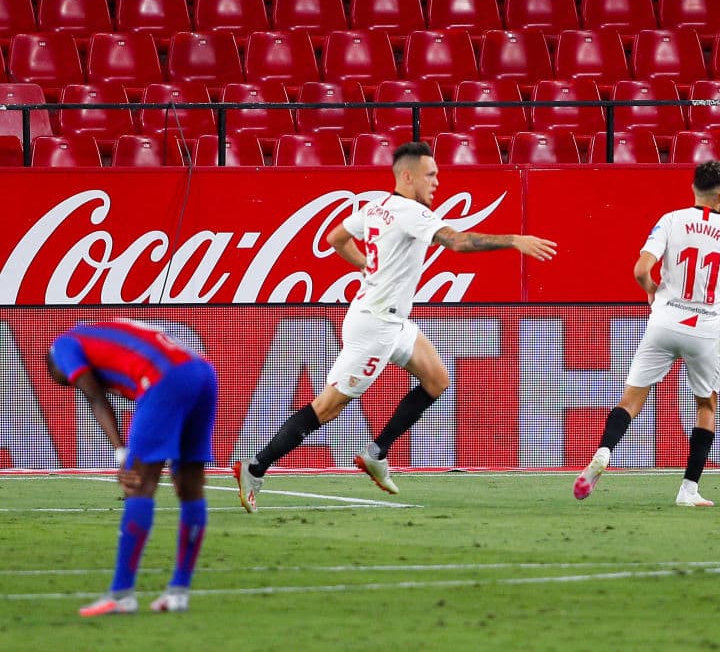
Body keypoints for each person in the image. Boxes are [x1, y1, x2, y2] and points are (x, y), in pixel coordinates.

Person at [233, 141, 557, 512]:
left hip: (389, 319)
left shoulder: (376, 208)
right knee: (327, 408)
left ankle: (376, 453)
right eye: (430, 175)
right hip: (375, 327)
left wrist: (366, 267)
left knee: (436, 379)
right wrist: (514, 240)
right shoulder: (410, 213)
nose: (437, 182)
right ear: (407, 176)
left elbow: (336, 239)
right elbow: (457, 242)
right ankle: (254, 467)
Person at [574, 160, 720, 506]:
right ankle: (689, 490)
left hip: (664, 321)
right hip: (703, 328)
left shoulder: (670, 220)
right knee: (706, 405)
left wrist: (652, 289)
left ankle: (605, 451)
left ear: (694, 190)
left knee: (631, 400)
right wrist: (716, 296)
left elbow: (641, 269)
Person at [47, 319, 217, 616]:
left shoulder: (63, 347)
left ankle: (122, 593)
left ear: (55, 368)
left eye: (67, 381)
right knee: (191, 487)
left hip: (164, 377)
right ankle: (178, 592)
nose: (72, 383)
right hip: (202, 372)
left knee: (137, 483)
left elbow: (95, 397)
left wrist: (121, 452)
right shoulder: (100, 331)